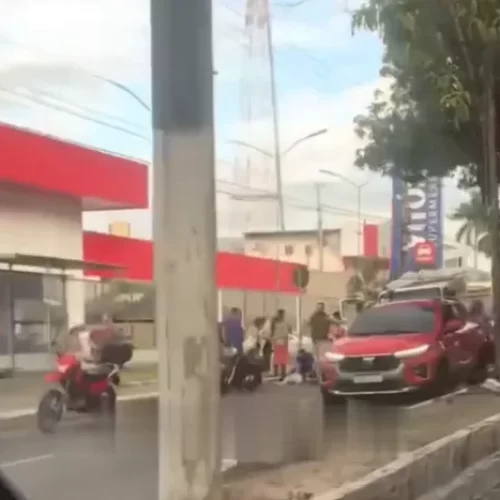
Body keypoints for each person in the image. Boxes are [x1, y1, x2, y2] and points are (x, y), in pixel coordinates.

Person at [308, 302, 332, 378]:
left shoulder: (325, 316)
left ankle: (320, 373)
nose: (320, 308)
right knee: (317, 358)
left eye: (321, 307)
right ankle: (318, 373)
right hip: (317, 339)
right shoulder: (314, 316)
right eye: (319, 307)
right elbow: (310, 324)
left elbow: (309, 324)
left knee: (321, 358)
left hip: (323, 339)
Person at [271, 309, 291, 381]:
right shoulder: (279, 322)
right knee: (281, 358)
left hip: (280, 340)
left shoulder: (276, 322)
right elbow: (287, 331)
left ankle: (278, 373)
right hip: (281, 340)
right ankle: (281, 373)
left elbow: (272, 332)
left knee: (279, 357)